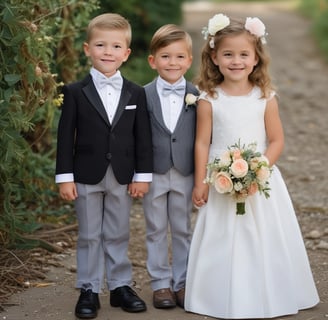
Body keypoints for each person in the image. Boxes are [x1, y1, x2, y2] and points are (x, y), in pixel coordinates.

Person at [185, 13, 319, 319]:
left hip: (261, 182)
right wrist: (201, 181)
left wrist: (260, 168)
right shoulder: (209, 99)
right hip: (220, 177)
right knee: (222, 236)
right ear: (214, 58)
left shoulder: (265, 98)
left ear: (256, 58)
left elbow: (276, 140)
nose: (236, 61)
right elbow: (202, 143)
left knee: (264, 235)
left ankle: (269, 291)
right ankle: (215, 295)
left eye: (244, 54)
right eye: (228, 54)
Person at [55, 13, 153, 319]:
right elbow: (64, 137)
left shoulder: (136, 93)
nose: (107, 52)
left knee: (118, 232)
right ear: (87, 49)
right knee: (88, 234)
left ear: (126, 53)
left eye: (115, 46)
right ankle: (89, 289)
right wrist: (64, 177)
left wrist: (143, 175)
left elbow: (143, 138)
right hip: (85, 174)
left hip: (123, 176)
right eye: (100, 45)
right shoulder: (74, 92)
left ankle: (121, 286)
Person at [142, 24, 199, 309]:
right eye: (165, 56)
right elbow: (136, 138)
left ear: (189, 60)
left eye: (179, 57)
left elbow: (205, 138)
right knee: (154, 229)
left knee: (182, 228)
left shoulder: (199, 96)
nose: (172, 63)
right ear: (153, 61)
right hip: (153, 172)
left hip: (186, 172)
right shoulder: (142, 95)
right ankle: (160, 284)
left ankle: (183, 282)